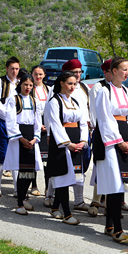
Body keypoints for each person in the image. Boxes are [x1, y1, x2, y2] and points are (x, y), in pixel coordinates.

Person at [93, 56, 128, 242]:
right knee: (113, 184)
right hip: (109, 141)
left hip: (125, 138)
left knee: (119, 185)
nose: (127, 73)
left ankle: (109, 224)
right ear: (113, 71)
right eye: (123, 69)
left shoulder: (126, 91)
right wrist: (119, 141)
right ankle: (117, 229)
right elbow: (104, 119)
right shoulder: (105, 92)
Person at [45, 71, 88, 225]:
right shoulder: (54, 102)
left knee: (71, 177)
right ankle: (67, 214)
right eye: (69, 83)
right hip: (62, 145)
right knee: (62, 177)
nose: (72, 87)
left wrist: (83, 141)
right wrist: (68, 144)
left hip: (76, 143)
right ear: (61, 83)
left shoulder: (76, 102)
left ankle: (55, 207)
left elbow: (83, 122)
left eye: (74, 84)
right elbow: (55, 125)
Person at [3, 75, 43, 215]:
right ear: (20, 84)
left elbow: (38, 121)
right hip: (19, 137)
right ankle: (19, 203)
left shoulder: (35, 101)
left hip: (31, 136)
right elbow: (10, 120)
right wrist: (21, 138)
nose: (28, 88)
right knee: (20, 171)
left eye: (30, 85)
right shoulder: (13, 100)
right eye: (25, 84)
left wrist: (35, 138)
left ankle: (24, 198)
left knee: (29, 172)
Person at [60, 59, 92, 212]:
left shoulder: (84, 88)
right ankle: (51, 196)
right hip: (66, 132)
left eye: (80, 72)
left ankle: (79, 200)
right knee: (61, 166)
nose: (78, 76)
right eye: (74, 73)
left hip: (82, 132)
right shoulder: (59, 93)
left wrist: (86, 135)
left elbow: (88, 109)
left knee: (81, 166)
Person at [0, 56, 20, 197]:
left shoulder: (20, 84)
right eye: (12, 68)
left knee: (15, 154)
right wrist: (8, 117)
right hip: (2, 121)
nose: (14, 71)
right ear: (7, 69)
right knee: (2, 153)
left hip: (16, 123)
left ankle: (16, 187)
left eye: (16, 69)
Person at [87, 59, 112, 216]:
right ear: (106, 72)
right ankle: (96, 200)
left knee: (113, 169)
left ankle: (110, 203)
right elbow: (96, 114)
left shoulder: (120, 89)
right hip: (101, 132)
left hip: (117, 133)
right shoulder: (98, 87)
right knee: (101, 166)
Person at [30, 65, 51, 197]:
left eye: (40, 74)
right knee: (34, 158)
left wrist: (47, 125)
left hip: (47, 124)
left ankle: (48, 187)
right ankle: (34, 185)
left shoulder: (48, 89)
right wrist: (38, 125)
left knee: (47, 159)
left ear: (44, 75)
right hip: (35, 124)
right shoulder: (29, 89)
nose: (38, 77)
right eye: (36, 74)